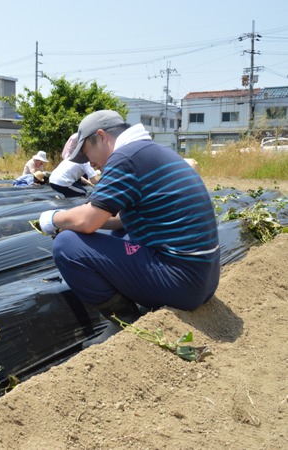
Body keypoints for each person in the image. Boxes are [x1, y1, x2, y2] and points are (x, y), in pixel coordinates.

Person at [38, 110, 220, 348]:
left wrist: (54, 218)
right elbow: (122, 219)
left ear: (102, 137)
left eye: (87, 154)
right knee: (118, 234)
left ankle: (124, 322)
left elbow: (88, 221)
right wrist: (84, 218)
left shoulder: (125, 157)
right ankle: (145, 299)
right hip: (204, 279)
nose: (90, 163)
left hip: (182, 284)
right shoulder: (151, 151)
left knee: (67, 246)